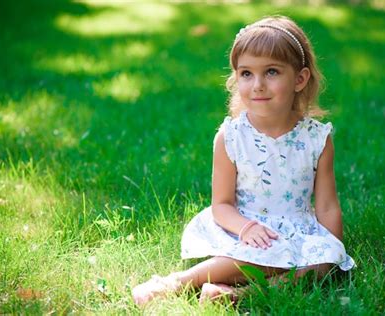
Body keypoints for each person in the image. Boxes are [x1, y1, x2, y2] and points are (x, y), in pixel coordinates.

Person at [132, 15, 355, 306]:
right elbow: (221, 205)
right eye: (246, 73)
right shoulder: (231, 136)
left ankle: (237, 295)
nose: (257, 85)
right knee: (256, 254)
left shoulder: (316, 139)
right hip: (244, 227)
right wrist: (246, 228)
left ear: (299, 79)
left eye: (272, 72)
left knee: (319, 268)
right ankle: (177, 282)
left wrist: (331, 249)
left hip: (297, 228)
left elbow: (326, 205)